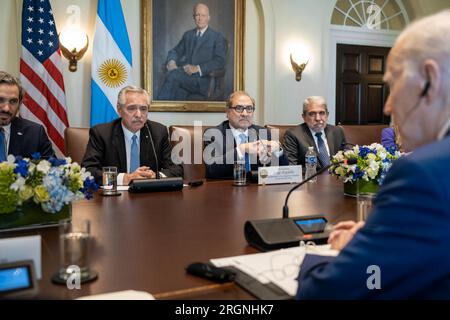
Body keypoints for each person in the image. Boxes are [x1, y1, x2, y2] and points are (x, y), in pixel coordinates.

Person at [297, 10, 450, 299]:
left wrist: (352, 251)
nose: (388, 106)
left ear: (430, 78)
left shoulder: (424, 173)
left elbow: (327, 292)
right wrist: (382, 237)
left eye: (393, 85)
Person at [82, 86, 183, 185]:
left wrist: (156, 177)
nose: (138, 114)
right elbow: (87, 171)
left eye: (143, 109)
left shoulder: (158, 132)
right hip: (114, 198)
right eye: (131, 108)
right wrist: (124, 179)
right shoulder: (102, 133)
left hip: (149, 196)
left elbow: (177, 169)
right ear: (119, 109)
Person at [204, 91, 288, 179]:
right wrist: (241, 149)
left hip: (258, 189)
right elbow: (211, 171)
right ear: (228, 112)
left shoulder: (263, 132)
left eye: (249, 108)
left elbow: (285, 171)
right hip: (226, 189)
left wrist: (277, 150)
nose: (245, 114)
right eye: (239, 108)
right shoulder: (213, 134)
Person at [158, 3, 227, 101]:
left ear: (208, 18)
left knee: (172, 75)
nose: (200, 18)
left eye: (203, 15)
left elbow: (220, 61)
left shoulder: (216, 37)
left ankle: (157, 107)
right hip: (186, 78)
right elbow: (175, 51)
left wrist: (198, 68)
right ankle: (162, 109)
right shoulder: (188, 35)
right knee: (177, 93)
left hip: (204, 81)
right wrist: (172, 61)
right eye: (197, 15)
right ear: (193, 17)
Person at [0, 71, 54, 160]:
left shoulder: (35, 133)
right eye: (1, 100)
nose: (6, 108)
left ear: (19, 103)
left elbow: (53, 170)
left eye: (13, 101)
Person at [283, 96, 346, 169]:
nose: (318, 118)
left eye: (322, 113)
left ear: (327, 115)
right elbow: (291, 168)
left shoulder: (337, 131)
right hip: (311, 179)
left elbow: (346, 159)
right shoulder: (293, 135)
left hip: (335, 178)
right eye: (312, 114)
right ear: (304, 117)